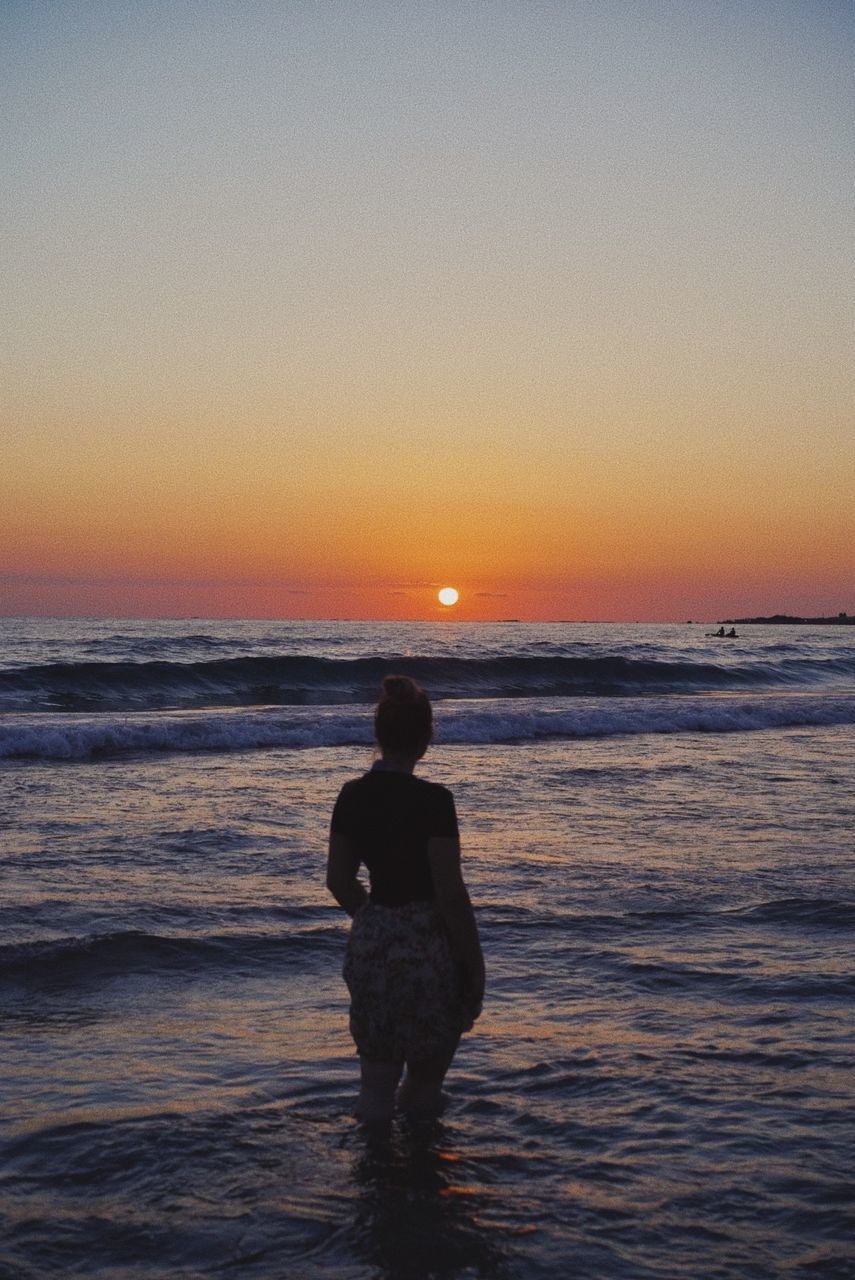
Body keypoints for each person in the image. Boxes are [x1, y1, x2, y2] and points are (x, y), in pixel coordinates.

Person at [327, 675, 485, 1123]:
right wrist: (475, 966)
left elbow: (338, 880)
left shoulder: (352, 795)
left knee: (375, 1089)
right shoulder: (435, 801)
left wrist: (376, 919)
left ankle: (370, 1180)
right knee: (423, 1086)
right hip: (426, 944)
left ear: (379, 736)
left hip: (373, 939)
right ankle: (419, 1179)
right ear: (425, 738)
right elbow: (450, 895)